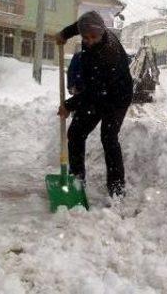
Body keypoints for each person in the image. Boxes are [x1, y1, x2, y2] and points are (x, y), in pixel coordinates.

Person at [56, 11, 133, 198]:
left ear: (101, 32)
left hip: (117, 97)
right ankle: (76, 181)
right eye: (85, 37)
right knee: (75, 133)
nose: (89, 40)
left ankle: (117, 190)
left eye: (93, 37)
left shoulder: (108, 54)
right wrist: (65, 34)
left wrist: (69, 105)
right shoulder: (91, 29)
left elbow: (94, 92)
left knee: (108, 137)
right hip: (96, 91)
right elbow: (80, 25)